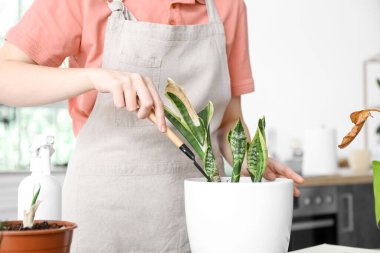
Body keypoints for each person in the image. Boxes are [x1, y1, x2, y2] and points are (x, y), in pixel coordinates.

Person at [0, 0, 304, 252]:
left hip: (196, 221)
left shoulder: (228, 7)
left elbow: (228, 122)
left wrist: (249, 161)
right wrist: (94, 77)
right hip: (104, 220)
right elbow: (5, 75)